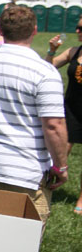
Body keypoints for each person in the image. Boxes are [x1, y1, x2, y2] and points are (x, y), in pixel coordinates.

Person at [0, 6, 67, 232]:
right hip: (24, 171)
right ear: (35, 31)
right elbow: (54, 125)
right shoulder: (44, 72)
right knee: (19, 246)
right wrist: (61, 166)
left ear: (0, 29)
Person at [46, 23, 82, 216]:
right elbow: (48, 67)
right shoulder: (74, 52)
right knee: (59, 151)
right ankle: (46, 188)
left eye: (81, 28)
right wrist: (51, 51)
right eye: (78, 27)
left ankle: (81, 200)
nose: (77, 31)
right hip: (71, 111)